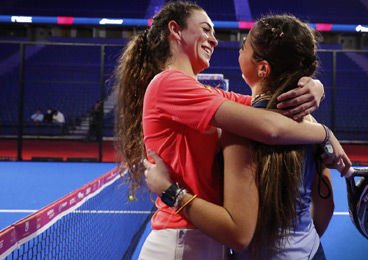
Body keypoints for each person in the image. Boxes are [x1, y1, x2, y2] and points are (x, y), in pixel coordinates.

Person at [112, 2, 350, 259]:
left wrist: (311, 84)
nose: (214, 41)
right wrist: (325, 134)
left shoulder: (209, 95)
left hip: (209, 236)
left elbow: (270, 105)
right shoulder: (167, 83)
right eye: (206, 30)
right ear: (175, 30)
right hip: (182, 240)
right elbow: (269, 126)